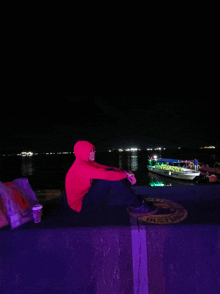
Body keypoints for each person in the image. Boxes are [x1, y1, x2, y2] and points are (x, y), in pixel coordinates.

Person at [65, 140, 158, 217]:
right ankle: (138, 206)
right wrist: (125, 175)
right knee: (111, 179)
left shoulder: (86, 163)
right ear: (83, 152)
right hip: (80, 205)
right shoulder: (80, 167)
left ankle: (134, 199)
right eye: (90, 151)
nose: (94, 152)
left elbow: (106, 168)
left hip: (87, 195)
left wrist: (126, 172)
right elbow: (106, 175)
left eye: (93, 150)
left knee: (112, 173)